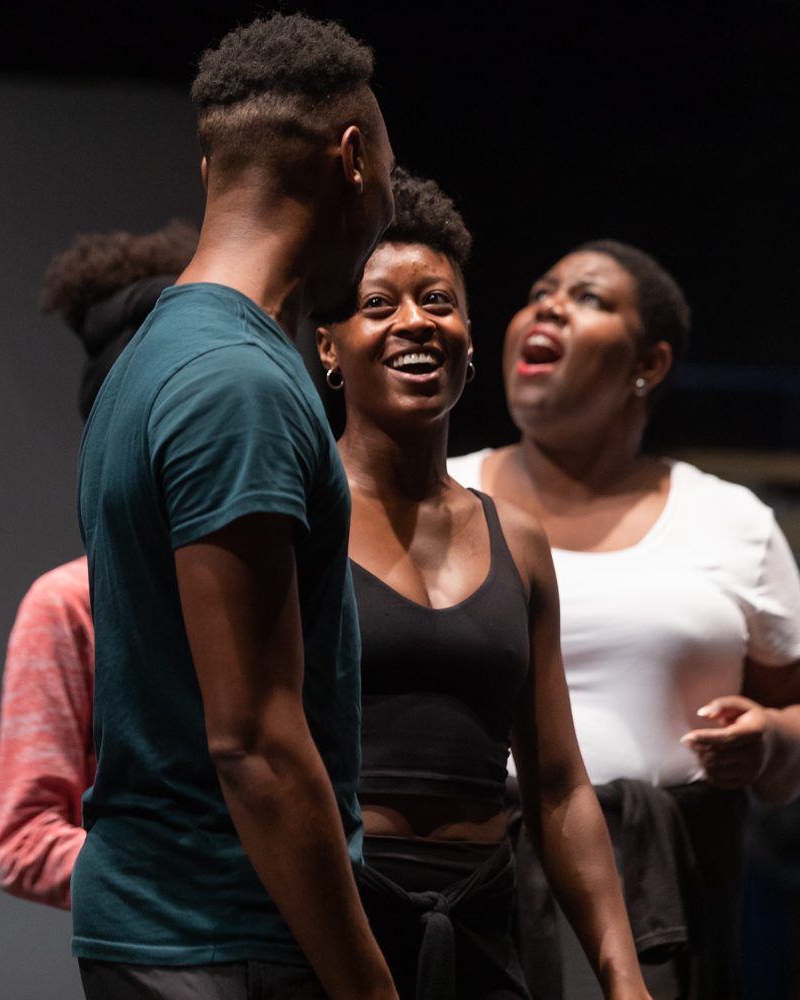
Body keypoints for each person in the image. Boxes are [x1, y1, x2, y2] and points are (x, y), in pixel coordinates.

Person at [73, 14, 398, 1000]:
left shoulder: (159, 357)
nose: (388, 208)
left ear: (210, 168)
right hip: (224, 941)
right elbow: (254, 745)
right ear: (354, 159)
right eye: (390, 177)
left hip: (180, 937)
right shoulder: (237, 384)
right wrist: (369, 987)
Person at [449, 241, 800, 998]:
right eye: (541, 291)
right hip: (466, 877)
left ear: (649, 364)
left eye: (588, 298)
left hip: (654, 888)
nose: (550, 307)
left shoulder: (729, 520)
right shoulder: (440, 497)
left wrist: (769, 740)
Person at [315, 170, 651, 1000]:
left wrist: (623, 975)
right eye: (378, 304)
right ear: (328, 346)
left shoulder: (518, 541)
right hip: (331, 924)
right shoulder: (298, 518)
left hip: (482, 922)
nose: (414, 322)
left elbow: (558, 785)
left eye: (438, 300)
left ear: (469, 337)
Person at [0, 220, 196, 910]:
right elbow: (25, 841)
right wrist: (199, 882)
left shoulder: (278, 583)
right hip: (163, 949)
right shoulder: (69, 605)